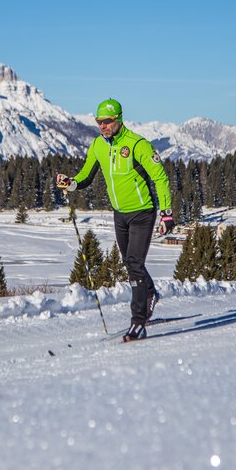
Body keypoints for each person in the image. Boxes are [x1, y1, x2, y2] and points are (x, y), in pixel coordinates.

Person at [56, 98, 174, 341]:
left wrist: (167, 212)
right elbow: (85, 176)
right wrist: (71, 182)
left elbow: (160, 178)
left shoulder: (137, 144)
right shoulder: (98, 146)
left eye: (107, 122)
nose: (102, 126)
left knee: (133, 263)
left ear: (119, 119)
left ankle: (138, 322)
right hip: (120, 214)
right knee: (130, 263)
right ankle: (150, 293)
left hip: (143, 211)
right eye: (99, 121)